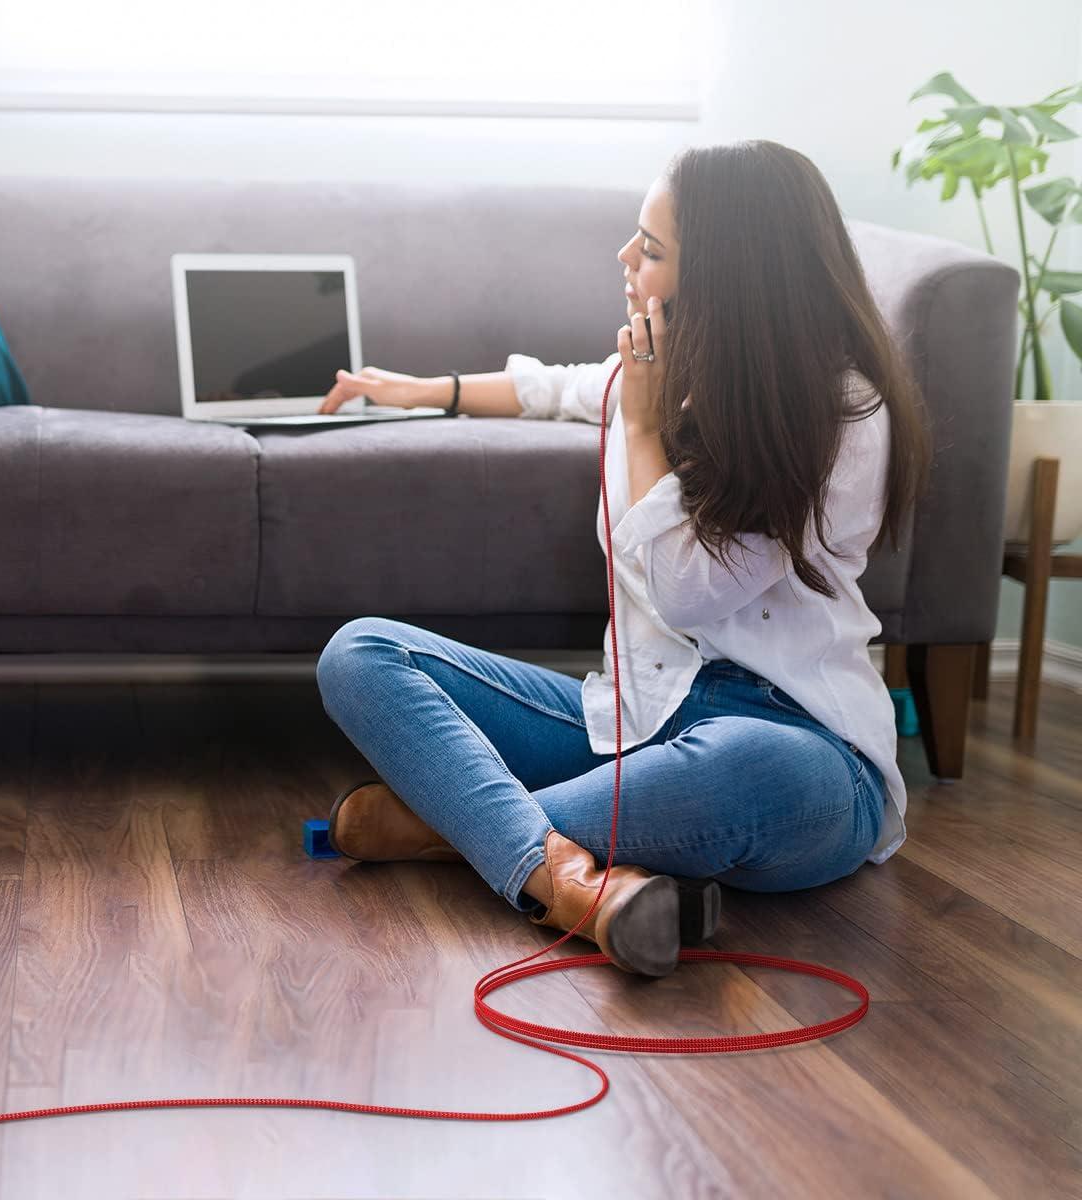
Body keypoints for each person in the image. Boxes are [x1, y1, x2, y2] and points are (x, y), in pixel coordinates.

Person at [314, 139, 935, 979]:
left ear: (725, 272)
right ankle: (574, 883)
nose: (625, 257)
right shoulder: (662, 368)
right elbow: (555, 387)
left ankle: (449, 827)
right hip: (631, 726)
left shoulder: (844, 412)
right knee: (361, 652)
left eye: (652, 246)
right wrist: (423, 390)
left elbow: (684, 594)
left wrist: (642, 429)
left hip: (803, 749)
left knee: (748, 767)